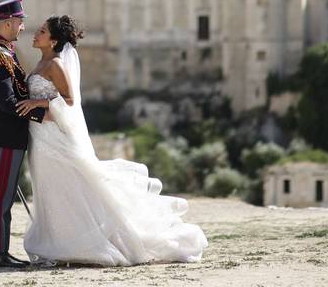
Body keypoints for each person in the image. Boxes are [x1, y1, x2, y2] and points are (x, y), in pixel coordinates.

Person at [17, 15, 208, 266]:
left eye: (42, 31)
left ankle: (79, 245)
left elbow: (70, 102)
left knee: (70, 187)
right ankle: (60, 243)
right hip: (40, 138)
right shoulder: (41, 63)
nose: (35, 33)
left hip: (55, 139)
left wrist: (38, 102)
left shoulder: (55, 65)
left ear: (53, 40)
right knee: (52, 190)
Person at [0, 0, 45, 269]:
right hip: (8, 134)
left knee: (2, 195)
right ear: (7, 23)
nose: (22, 27)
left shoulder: (4, 51)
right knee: (0, 196)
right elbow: (6, 102)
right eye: (19, 22)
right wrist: (42, 113)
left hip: (10, 135)